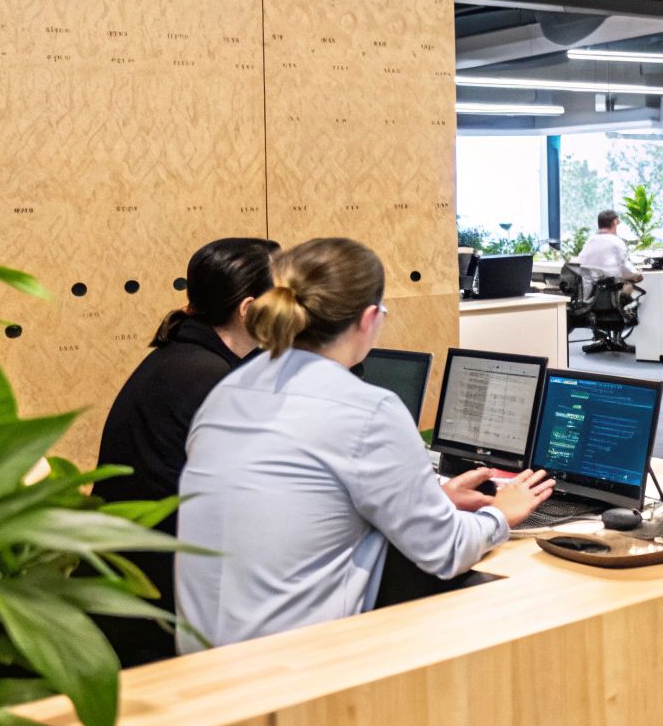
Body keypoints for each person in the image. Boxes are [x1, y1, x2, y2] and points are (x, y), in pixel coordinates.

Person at [174, 237, 553, 652]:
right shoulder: (366, 408)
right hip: (290, 671)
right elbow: (444, 550)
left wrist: (435, 501)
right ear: (369, 318)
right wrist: (501, 513)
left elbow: (307, 504)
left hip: (200, 660)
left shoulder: (228, 391)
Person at [91, 237, 279, 667]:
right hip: (161, 613)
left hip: (133, 591)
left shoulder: (180, 356)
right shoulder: (209, 381)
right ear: (249, 310)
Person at [577, 209, 643, 283]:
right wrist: (637, 273)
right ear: (615, 222)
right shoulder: (616, 241)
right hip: (605, 289)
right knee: (631, 283)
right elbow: (624, 269)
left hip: (587, 288)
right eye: (618, 222)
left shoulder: (590, 241)